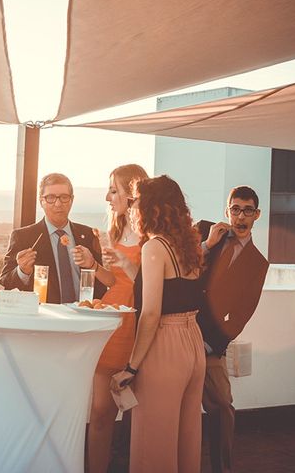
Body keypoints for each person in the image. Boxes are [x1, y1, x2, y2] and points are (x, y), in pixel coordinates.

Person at [111, 175, 205, 473]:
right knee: (186, 438)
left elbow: (151, 313)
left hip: (165, 344)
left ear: (150, 208)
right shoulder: (188, 245)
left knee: (153, 443)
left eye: (136, 201)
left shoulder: (154, 247)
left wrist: (132, 367)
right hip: (193, 342)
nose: (132, 207)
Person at [73, 164, 148, 473]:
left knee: (138, 410)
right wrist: (92, 264)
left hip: (141, 321)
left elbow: (147, 284)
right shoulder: (116, 230)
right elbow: (114, 281)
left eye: (113, 190)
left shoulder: (151, 234)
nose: (107, 196)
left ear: (132, 193)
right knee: (101, 409)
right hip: (112, 321)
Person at [196, 186, 269, 473]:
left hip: (211, 345)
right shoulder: (204, 232)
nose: (240, 216)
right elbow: (177, 267)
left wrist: (211, 345)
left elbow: (241, 314)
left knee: (223, 407)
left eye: (247, 210)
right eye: (235, 209)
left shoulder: (258, 263)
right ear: (227, 210)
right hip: (177, 330)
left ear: (257, 215)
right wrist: (207, 245)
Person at [0, 173, 105, 303]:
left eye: (64, 197)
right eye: (50, 197)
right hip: (43, 318)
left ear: (72, 199)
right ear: (41, 201)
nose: (58, 203)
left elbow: (101, 284)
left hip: (83, 316)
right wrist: (22, 271)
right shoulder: (23, 237)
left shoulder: (88, 235)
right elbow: (5, 284)